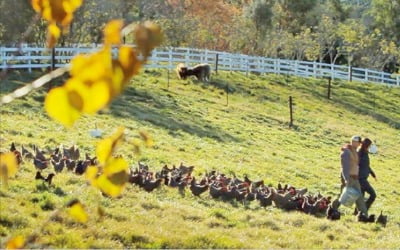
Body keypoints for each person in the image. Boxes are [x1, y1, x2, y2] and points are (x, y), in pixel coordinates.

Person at [338, 135, 369, 218]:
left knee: (359, 197)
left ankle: (364, 216)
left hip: (355, 178)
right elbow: (345, 167)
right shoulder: (346, 152)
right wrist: (346, 179)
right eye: (359, 143)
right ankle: (332, 208)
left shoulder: (355, 151)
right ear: (354, 142)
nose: (359, 145)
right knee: (342, 195)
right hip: (349, 178)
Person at [358, 138, 377, 210]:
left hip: (363, 178)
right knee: (373, 195)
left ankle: (358, 212)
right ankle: (364, 209)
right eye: (370, 145)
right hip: (361, 179)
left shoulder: (365, 153)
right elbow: (357, 164)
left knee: (361, 197)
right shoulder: (360, 153)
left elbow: (367, 166)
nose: (370, 147)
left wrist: (373, 174)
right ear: (367, 145)